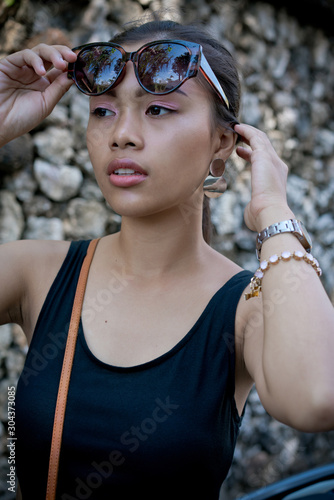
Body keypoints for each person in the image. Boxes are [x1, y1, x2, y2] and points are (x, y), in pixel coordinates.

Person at [0, 16, 333, 500]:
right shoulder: (37, 273)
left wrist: (272, 213)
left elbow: (317, 395)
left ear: (222, 144)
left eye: (157, 109)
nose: (123, 135)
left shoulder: (246, 307)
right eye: (103, 111)